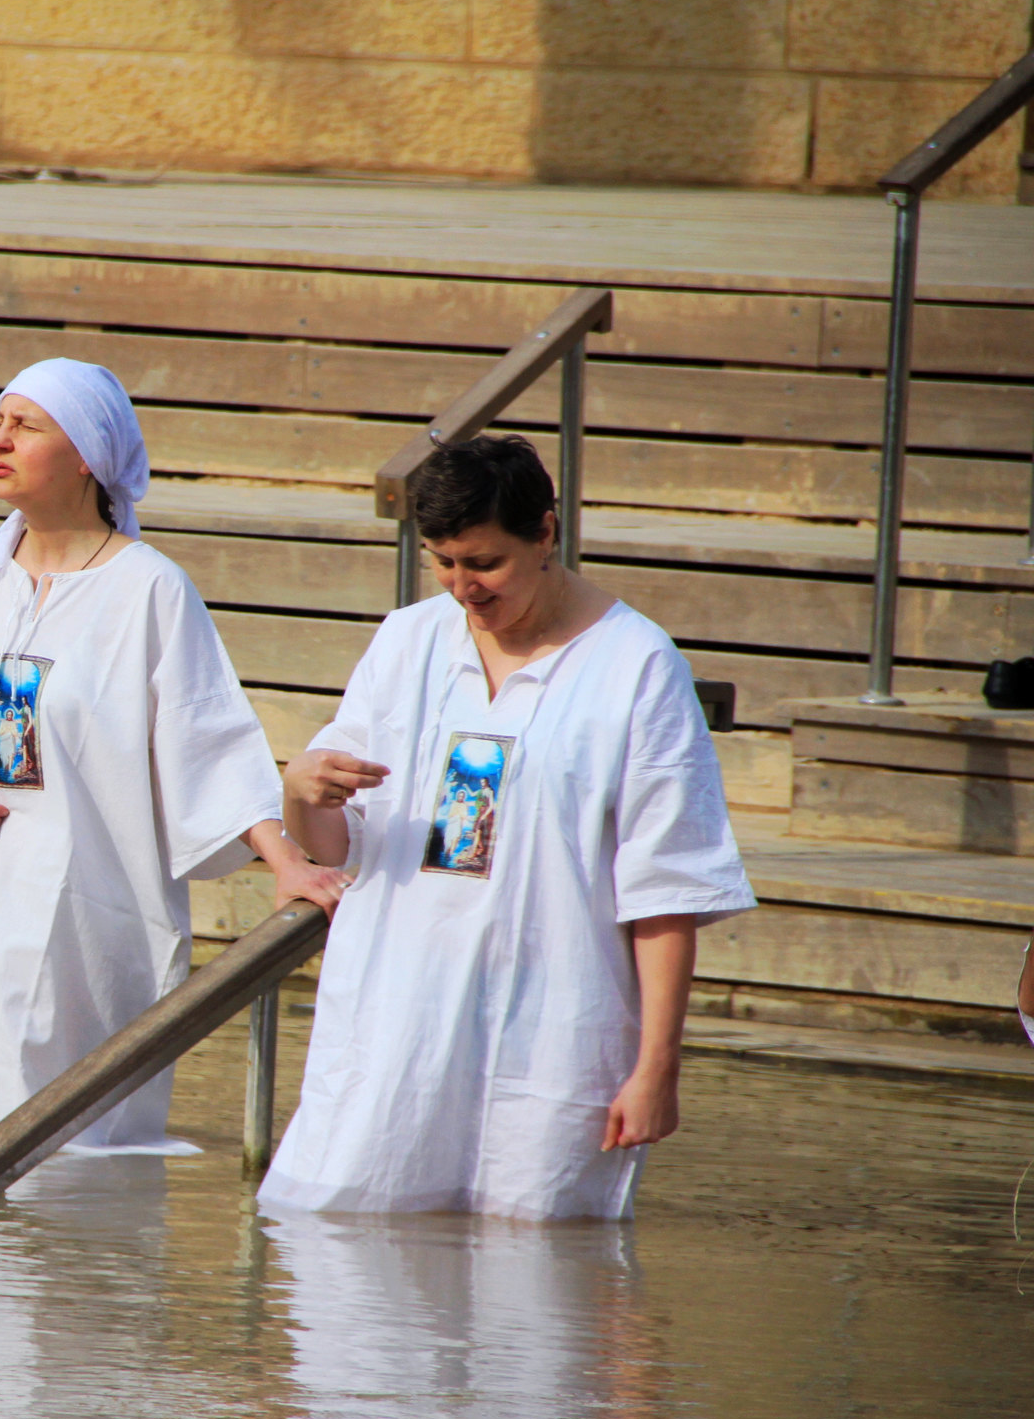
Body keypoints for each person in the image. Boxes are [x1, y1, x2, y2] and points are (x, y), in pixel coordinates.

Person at [0, 358, 345, 1152]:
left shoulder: (148, 591)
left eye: (25, 426)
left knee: (63, 1156)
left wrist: (284, 862)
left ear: (85, 453)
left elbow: (209, 737)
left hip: (83, 922)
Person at [259, 434, 752, 1221]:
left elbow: (666, 887)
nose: (464, 588)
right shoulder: (408, 641)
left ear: (546, 532)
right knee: (343, 1251)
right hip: (396, 1022)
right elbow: (343, 845)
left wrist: (658, 1068)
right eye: (443, 561)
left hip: (551, 1034)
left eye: (484, 562)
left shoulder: (636, 665)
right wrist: (301, 794)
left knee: (534, 1288)